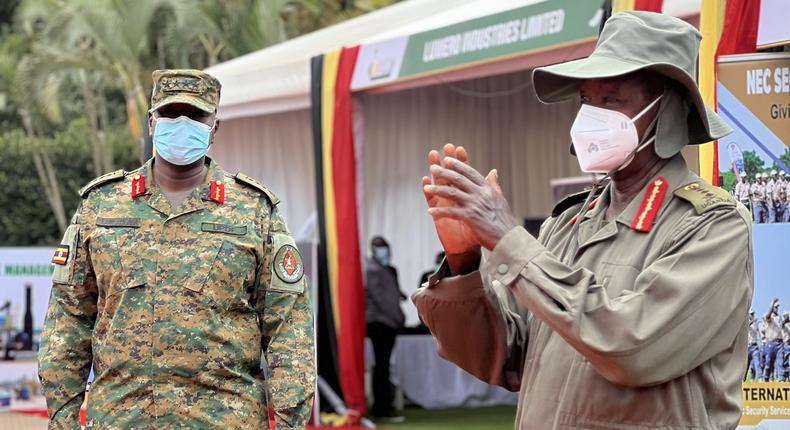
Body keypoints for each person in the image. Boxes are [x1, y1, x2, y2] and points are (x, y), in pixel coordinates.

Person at [413, 12, 752, 429]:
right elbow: (508, 357)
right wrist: (464, 261)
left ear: (666, 111)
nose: (591, 115)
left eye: (611, 100)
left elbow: (632, 348)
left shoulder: (712, 225)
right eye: (587, 100)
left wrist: (509, 238)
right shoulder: (572, 221)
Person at [38, 69, 315, 429]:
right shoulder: (101, 206)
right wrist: (63, 419)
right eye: (170, 114)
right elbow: (69, 320)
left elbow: (288, 326)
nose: (182, 123)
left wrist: (291, 421)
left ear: (214, 128)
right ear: (152, 123)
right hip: (123, 418)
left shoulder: (253, 210)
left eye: (196, 115)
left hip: (225, 419)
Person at [365, 236, 406, 422]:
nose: (383, 251)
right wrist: (399, 316)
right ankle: (381, 409)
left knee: (383, 365)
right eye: (379, 247)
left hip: (385, 321)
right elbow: (382, 299)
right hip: (381, 322)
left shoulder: (385, 269)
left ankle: (382, 407)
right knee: (382, 366)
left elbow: (390, 294)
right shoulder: (372, 270)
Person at [763, 298, 784, 381]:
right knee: (768, 364)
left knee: (780, 362)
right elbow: (768, 314)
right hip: (770, 344)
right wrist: (772, 303)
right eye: (775, 307)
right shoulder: (768, 317)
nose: (777, 308)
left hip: (779, 344)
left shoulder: (779, 318)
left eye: (777, 307)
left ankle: (781, 380)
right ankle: (766, 379)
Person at [746, 309, 763, 381]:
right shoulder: (746, 322)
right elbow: (747, 326)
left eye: (753, 314)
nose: (752, 315)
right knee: (746, 365)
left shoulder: (756, 324)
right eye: (751, 314)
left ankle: (760, 378)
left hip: (755, 346)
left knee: (757, 363)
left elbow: (759, 334)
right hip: (747, 347)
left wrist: (762, 343)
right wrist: (752, 321)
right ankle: (742, 379)